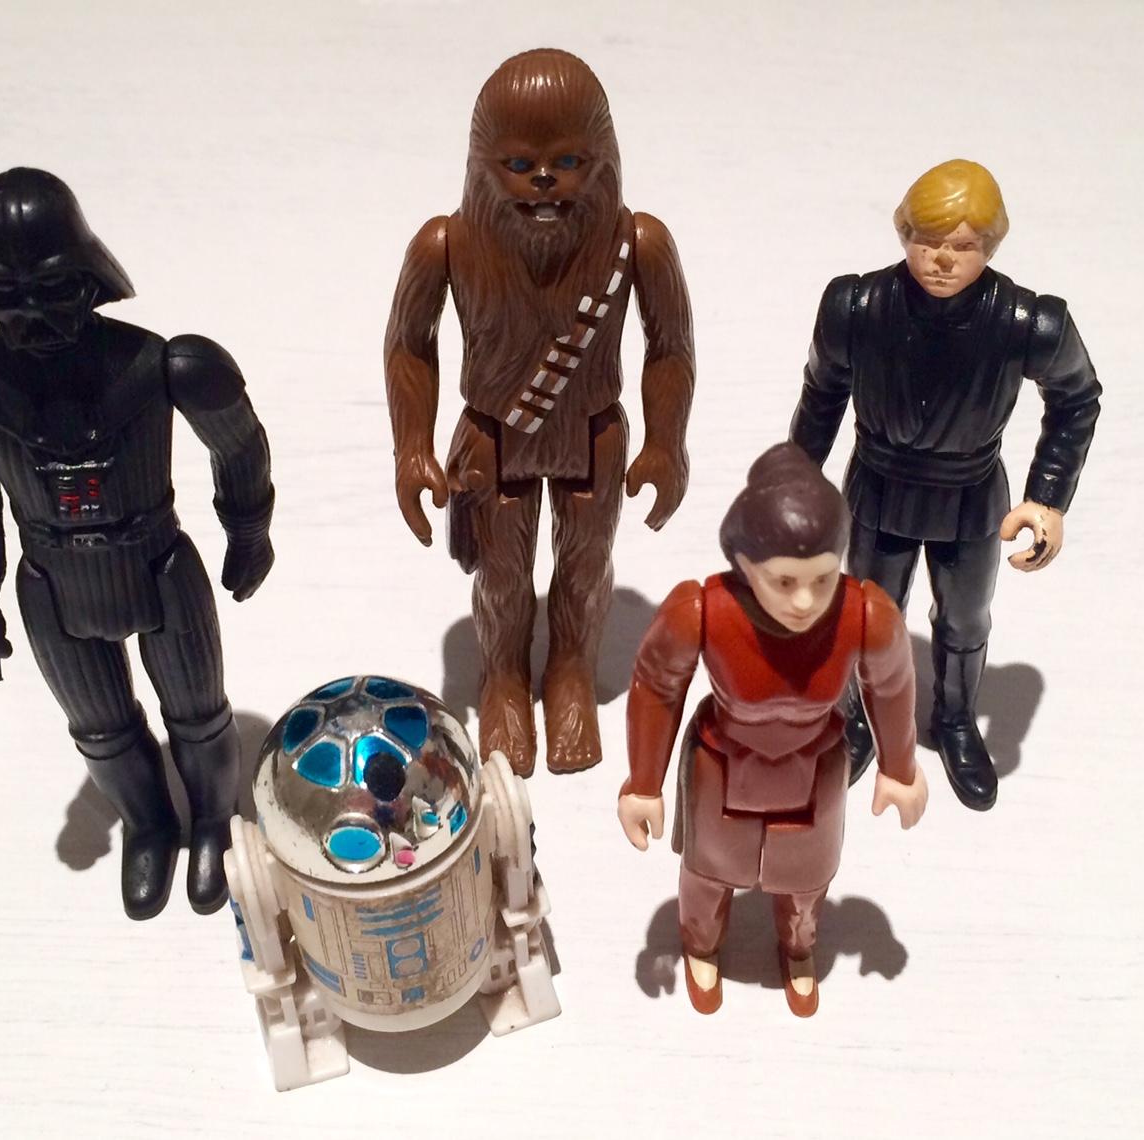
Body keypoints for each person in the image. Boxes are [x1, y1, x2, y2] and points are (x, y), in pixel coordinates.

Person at [0, 168, 275, 919]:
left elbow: (239, 447)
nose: (33, 318)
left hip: (159, 563)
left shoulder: (164, 364)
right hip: (50, 581)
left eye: (53, 289)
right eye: (8, 295)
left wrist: (248, 532)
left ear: (90, 278)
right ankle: (149, 825)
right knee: (100, 727)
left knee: (198, 710)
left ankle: (212, 818)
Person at [384, 48, 694, 777]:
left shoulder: (637, 243)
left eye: (570, 162)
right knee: (500, 575)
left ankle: (572, 673)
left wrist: (666, 443)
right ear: (481, 164)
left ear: (605, 160)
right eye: (519, 165)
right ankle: (503, 679)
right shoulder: (446, 244)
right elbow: (408, 345)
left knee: (586, 568)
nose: (545, 181)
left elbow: (670, 347)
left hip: (594, 434)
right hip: (493, 440)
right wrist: (411, 446)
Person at [790, 159, 1101, 809]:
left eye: (961, 246)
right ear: (903, 234)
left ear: (990, 245)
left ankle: (955, 719)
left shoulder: (1028, 321)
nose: (940, 260)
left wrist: (1047, 498)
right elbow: (823, 393)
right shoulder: (856, 306)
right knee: (868, 618)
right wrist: (795, 476)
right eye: (927, 241)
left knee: (964, 621)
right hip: (879, 488)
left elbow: (1076, 398)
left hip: (971, 498)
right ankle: (860, 719)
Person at [618, 443, 927, 1017]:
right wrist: (643, 783)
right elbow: (657, 686)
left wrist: (899, 767)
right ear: (744, 562)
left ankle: (798, 946)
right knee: (708, 875)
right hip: (724, 763)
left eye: (822, 578)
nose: (805, 601)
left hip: (815, 770)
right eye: (784, 581)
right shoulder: (700, 611)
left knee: (806, 882)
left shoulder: (864, 614)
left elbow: (891, 684)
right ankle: (701, 945)